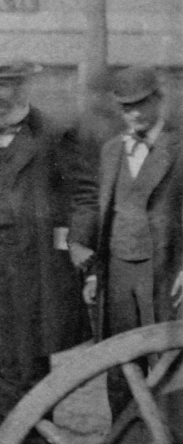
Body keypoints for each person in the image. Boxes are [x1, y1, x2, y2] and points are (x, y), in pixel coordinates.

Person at [0, 57, 92, 444]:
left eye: (6, 85)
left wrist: (79, 240)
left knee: (32, 363)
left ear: (22, 89)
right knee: (3, 366)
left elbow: (84, 192)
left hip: (36, 266)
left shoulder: (52, 135)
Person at [68, 66, 183, 419]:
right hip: (117, 271)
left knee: (165, 363)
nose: (132, 113)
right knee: (120, 364)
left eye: (139, 105)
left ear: (159, 101)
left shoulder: (179, 147)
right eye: (124, 107)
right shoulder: (111, 150)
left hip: (163, 272)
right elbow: (106, 213)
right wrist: (94, 274)